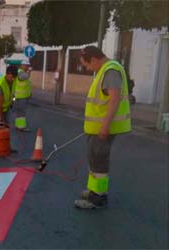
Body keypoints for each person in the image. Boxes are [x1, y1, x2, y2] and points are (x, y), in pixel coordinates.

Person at [74, 46, 131, 209]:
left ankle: (97, 198)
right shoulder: (104, 70)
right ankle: (94, 190)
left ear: (93, 59)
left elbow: (114, 100)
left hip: (103, 129)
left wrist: (105, 126)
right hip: (96, 128)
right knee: (94, 160)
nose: (87, 68)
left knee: (99, 162)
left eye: (87, 65)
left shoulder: (110, 71)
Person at [14, 59, 32, 131]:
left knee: (19, 112)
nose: (27, 67)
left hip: (21, 96)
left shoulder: (22, 72)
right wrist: (29, 72)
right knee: (21, 112)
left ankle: (18, 125)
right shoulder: (20, 73)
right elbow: (24, 77)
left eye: (28, 66)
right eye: (26, 66)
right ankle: (21, 127)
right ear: (22, 66)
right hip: (20, 96)